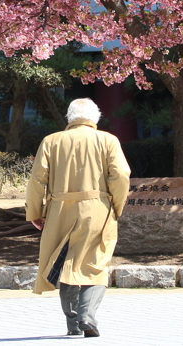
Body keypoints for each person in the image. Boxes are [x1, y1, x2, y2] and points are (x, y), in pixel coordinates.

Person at [25, 97, 131, 338]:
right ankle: (88, 317)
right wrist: (116, 205)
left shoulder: (51, 141)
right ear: (96, 117)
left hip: (59, 210)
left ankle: (73, 324)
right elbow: (121, 175)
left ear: (69, 117)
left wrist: (34, 212)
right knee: (95, 262)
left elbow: (36, 180)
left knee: (65, 263)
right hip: (97, 209)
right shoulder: (108, 140)